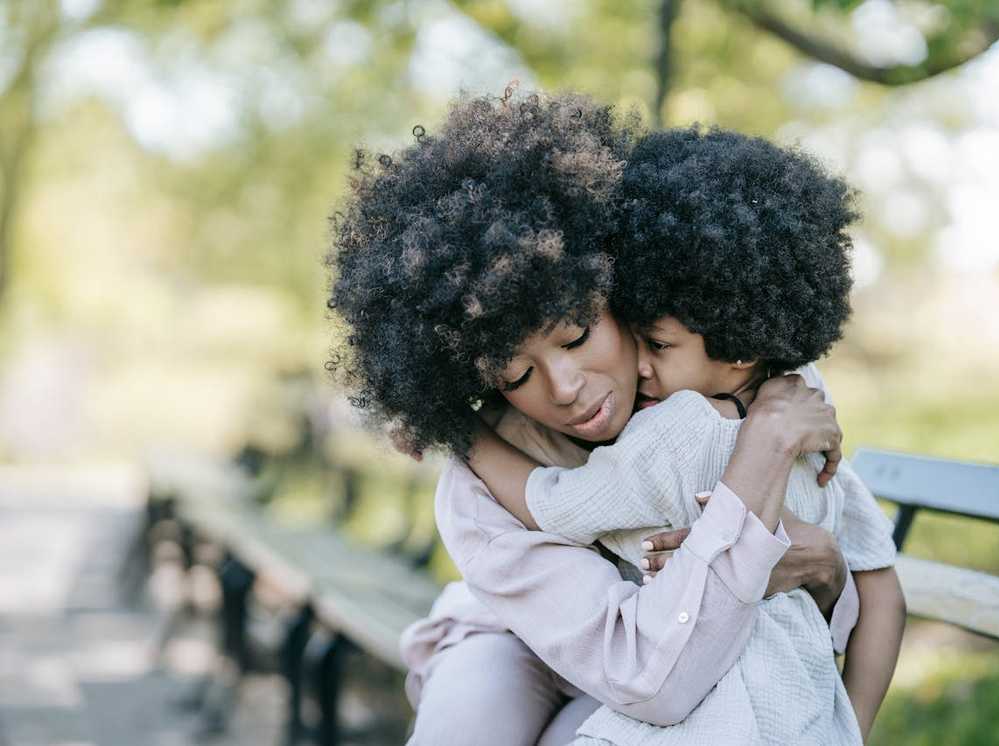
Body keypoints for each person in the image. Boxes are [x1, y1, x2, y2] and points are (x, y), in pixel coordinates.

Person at [327, 89, 858, 745]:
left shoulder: (737, 377)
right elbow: (645, 673)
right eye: (516, 375)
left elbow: (848, 579)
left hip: (682, 670)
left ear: (614, 281)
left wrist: (826, 565)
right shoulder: (480, 486)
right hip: (520, 642)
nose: (567, 387)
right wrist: (764, 451)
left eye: (577, 335)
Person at [466, 128, 906, 744]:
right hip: (791, 710)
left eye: (659, 345)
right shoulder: (793, 398)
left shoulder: (679, 429)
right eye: (516, 374)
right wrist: (848, 728)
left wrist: (460, 433)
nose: (643, 366)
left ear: (743, 346)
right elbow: (881, 583)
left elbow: (556, 505)